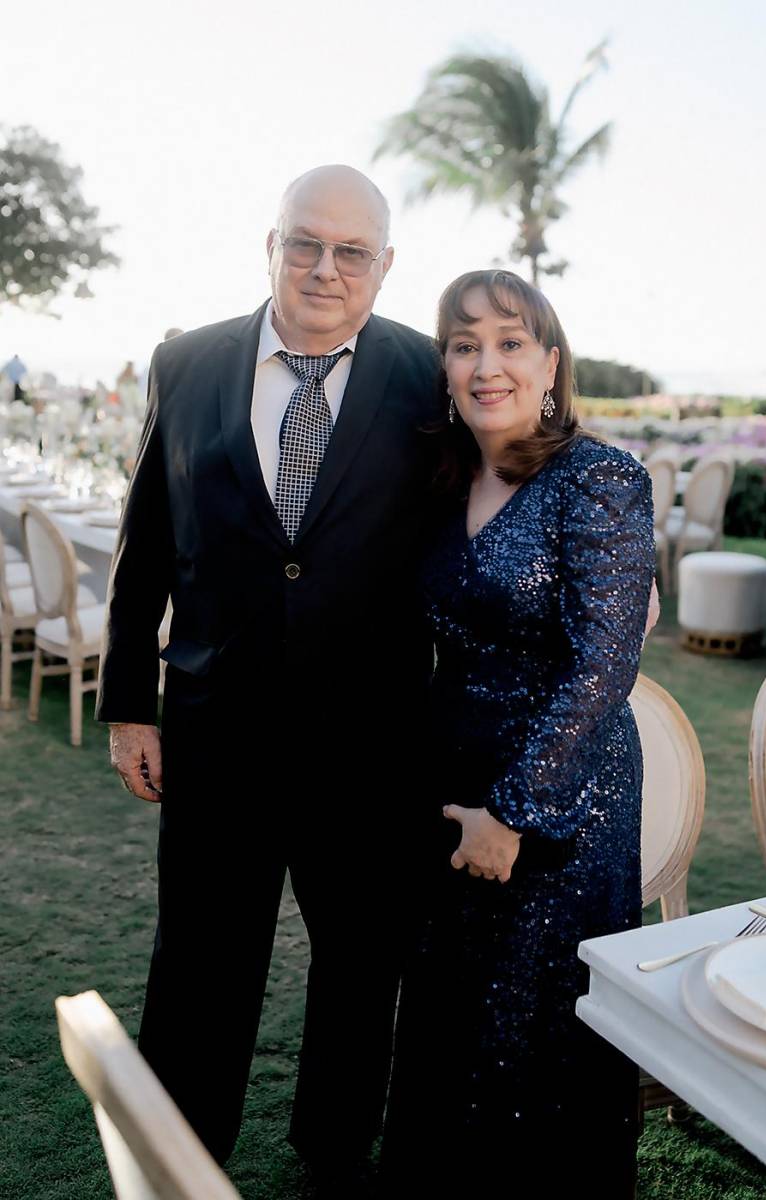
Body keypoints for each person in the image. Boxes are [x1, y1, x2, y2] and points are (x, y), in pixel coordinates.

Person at [95, 165, 441, 1194]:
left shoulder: (428, 377)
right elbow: (143, 549)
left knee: (358, 963)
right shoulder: (186, 362)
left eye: (350, 251)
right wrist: (126, 707)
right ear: (270, 243)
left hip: (370, 742)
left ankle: (330, 1147)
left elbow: (522, 469)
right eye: (305, 242)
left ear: (383, 266)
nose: (323, 268)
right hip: (213, 731)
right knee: (199, 961)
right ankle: (179, 1149)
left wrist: (614, 557)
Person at [380, 270, 655, 1198]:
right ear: (445, 370)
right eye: (463, 346)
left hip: (561, 796)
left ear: (550, 363)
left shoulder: (601, 478)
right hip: (448, 786)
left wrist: (514, 813)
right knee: (451, 1014)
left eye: (508, 342)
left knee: (531, 1029)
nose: (484, 364)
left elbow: (603, 664)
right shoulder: (441, 479)